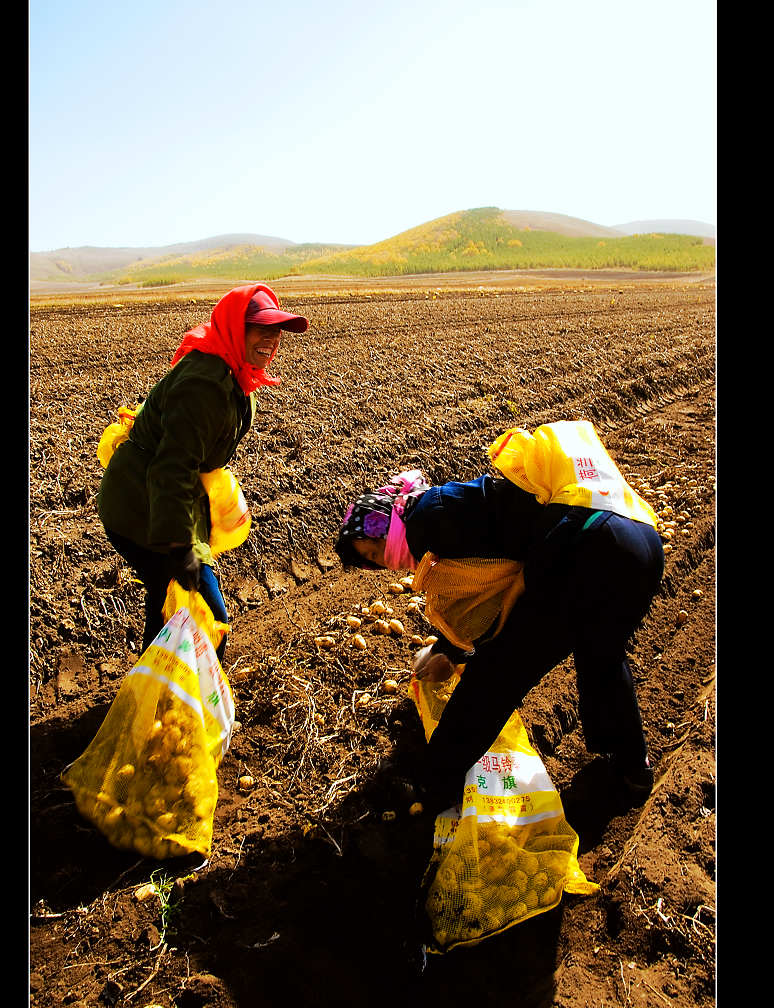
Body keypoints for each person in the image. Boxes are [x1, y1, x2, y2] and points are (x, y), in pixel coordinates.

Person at [334, 463, 664, 815]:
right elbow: (494, 580)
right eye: (373, 560)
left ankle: (430, 781)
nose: (383, 558)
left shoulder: (427, 521)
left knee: (496, 674)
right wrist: (450, 648)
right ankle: (632, 767)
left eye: (375, 544)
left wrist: (455, 649)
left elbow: (489, 594)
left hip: (587, 550)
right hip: (638, 544)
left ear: (386, 518)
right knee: (603, 658)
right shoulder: (435, 511)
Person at [97, 282, 309, 661]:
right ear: (233, 328)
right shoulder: (205, 383)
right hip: (139, 504)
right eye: (262, 328)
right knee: (209, 617)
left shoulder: (235, 372)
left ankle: (156, 695)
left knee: (169, 604)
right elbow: (172, 466)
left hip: (163, 501)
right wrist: (181, 547)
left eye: (277, 331)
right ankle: (178, 703)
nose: (272, 339)